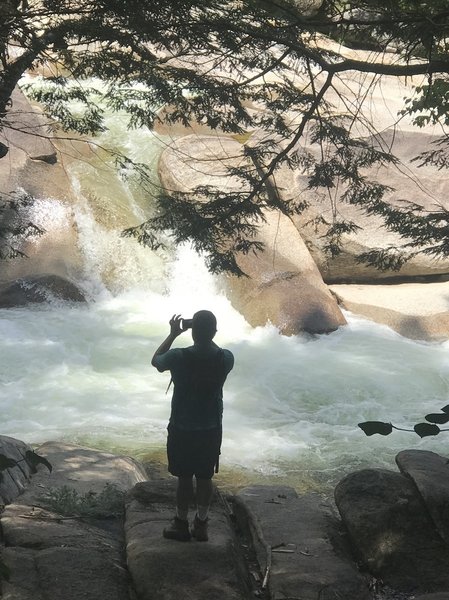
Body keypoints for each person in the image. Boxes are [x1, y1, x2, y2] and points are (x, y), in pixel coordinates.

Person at [151, 310, 234, 542]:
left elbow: (156, 360)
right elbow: (211, 346)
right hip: (211, 428)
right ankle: (202, 524)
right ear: (215, 332)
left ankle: (180, 523)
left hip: (182, 427)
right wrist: (204, 332)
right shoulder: (226, 358)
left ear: (193, 331)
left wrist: (174, 334)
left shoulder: (178, 356)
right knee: (206, 477)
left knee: (184, 478)